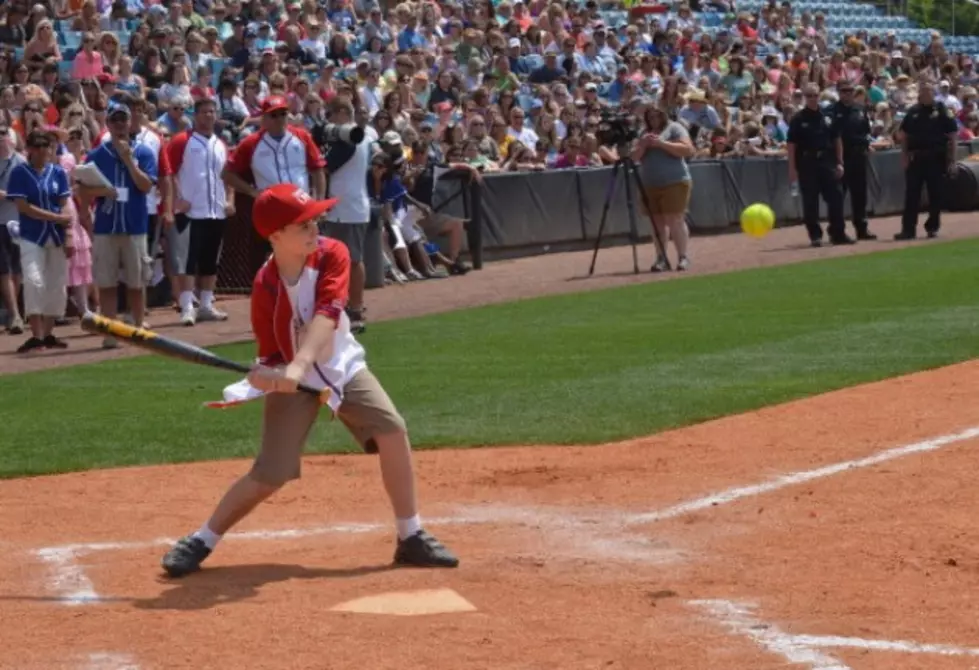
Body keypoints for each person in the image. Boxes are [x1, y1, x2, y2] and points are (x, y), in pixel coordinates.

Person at [160, 183, 459, 578]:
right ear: (276, 235)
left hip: (339, 365)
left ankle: (411, 535)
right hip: (292, 376)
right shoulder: (265, 286)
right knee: (271, 473)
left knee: (391, 428)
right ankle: (203, 538)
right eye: (303, 224)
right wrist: (267, 375)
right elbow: (269, 355)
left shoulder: (332, 254)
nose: (314, 227)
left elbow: (328, 314)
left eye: (314, 219)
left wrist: (298, 365)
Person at [80, 102, 158, 349]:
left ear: (130, 121)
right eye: (115, 120)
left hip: (135, 225)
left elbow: (146, 186)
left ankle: (137, 326)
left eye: (123, 119)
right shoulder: (96, 155)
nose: (120, 124)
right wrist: (102, 191)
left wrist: (128, 160)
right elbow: (82, 188)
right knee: (107, 282)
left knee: (137, 282)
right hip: (106, 226)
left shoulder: (143, 152)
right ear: (108, 124)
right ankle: (110, 329)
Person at [164, 98, 234, 326]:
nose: (208, 116)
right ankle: (186, 306)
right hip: (191, 211)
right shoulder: (182, 141)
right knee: (186, 260)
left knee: (210, 261)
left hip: (216, 210)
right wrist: (177, 199)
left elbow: (228, 175)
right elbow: (168, 172)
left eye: (212, 112)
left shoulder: (220, 144)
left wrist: (230, 199)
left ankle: (205, 305)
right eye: (204, 112)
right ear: (196, 115)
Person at [6, 128, 73, 353]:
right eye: (40, 146)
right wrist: (57, 217)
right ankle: (36, 335)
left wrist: (69, 231)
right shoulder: (20, 173)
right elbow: (24, 207)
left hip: (56, 236)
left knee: (57, 285)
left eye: (47, 146)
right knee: (34, 282)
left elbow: (64, 202)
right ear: (30, 150)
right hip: (31, 234)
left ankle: (48, 333)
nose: (44, 150)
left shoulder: (58, 172)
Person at [320, 96, 377, 335]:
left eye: (331, 116)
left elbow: (324, 167)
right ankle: (345, 306)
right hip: (346, 206)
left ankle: (355, 308)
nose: (329, 122)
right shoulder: (356, 136)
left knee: (351, 260)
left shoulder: (351, 139)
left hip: (347, 207)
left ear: (342, 113)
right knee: (341, 259)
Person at [787, 83, 853, 247]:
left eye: (815, 95)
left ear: (819, 96)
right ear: (804, 98)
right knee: (810, 200)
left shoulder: (828, 116)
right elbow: (791, 146)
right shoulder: (798, 119)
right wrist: (792, 168)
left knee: (836, 196)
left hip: (827, 161)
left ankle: (838, 233)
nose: (812, 98)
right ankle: (815, 235)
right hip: (807, 162)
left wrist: (840, 162)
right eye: (808, 95)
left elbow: (837, 139)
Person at [632, 106, 696, 272]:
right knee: (656, 222)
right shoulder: (643, 132)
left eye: (656, 116)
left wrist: (661, 143)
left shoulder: (674, 128)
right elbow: (633, 157)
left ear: (663, 115)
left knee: (675, 219)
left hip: (675, 180)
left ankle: (683, 257)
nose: (653, 120)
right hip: (650, 183)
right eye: (650, 117)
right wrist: (644, 145)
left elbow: (688, 150)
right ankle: (661, 258)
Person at [896, 79, 958, 240]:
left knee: (935, 194)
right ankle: (908, 229)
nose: (925, 94)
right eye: (922, 91)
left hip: (936, 158)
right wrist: (904, 157)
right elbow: (904, 136)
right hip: (916, 158)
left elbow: (952, 136)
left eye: (928, 91)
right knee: (912, 195)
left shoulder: (942, 109)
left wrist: (952, 160)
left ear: (933, 93)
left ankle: (932, 227)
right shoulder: (913, 111)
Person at [830, 82, 876, 240]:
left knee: (860, 194)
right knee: (838, 195)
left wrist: (867, 145)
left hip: (859, 155)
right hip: (842, 157)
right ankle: (836, 230)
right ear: (839, 92)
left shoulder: (860, 109)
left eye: (850, 91)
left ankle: (861, 228)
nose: (847, 94)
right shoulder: (832, 111)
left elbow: (866, 130)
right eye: (844, 91)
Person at [0, 120, 26, 335]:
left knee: (17, 270)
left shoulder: (21, 162)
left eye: (4, 134)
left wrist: (6, 196)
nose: (1, 138)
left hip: (18, 222)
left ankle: (14, 311)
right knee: (4, 270)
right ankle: (15, 314)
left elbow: (29, 194)